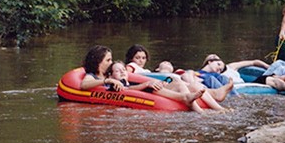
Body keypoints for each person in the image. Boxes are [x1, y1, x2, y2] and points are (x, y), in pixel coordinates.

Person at [79, 46, 208, 110]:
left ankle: (194, 102)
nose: (110, 62)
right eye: (108, 60)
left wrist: (151, 82)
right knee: (154, 88)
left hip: (146, 86)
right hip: (139, 92)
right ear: (98, 61)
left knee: (175, 81)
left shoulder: (112, 74)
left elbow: (128, 85)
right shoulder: (95, 76)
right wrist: (108, 80)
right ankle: (186, 98)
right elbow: (84, 85)